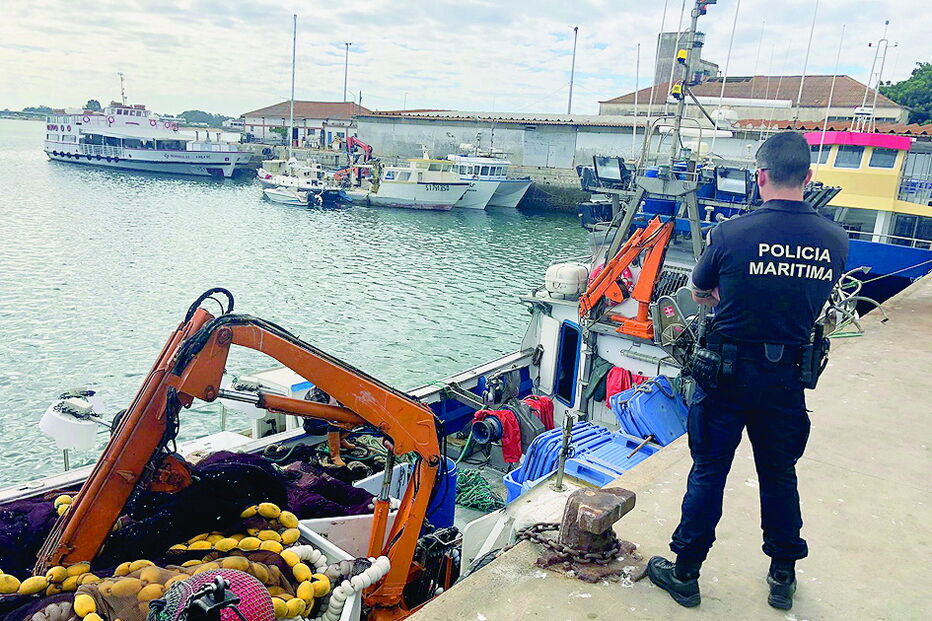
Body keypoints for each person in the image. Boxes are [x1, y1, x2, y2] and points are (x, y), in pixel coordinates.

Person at [647, 132, 849, 610]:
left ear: (761, 177)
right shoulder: (835, 238)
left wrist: (730, 298)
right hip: (786, 380)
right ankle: (782, 577)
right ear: (809, 178)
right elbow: (816, 297)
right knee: (779, 474)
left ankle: (687, 574)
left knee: (709, 471)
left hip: (725, 374)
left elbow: (699, 292)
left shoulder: (731, 234)